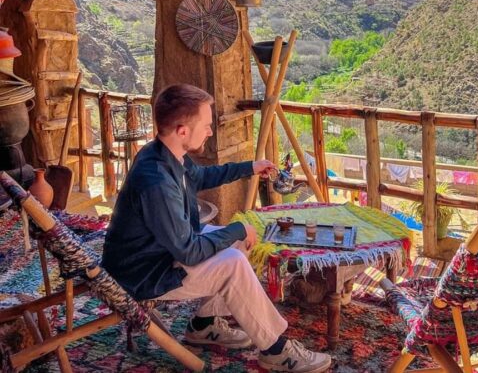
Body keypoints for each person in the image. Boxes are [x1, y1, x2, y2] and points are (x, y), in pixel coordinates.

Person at [102, 84, 331, 373]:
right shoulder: (155, 180)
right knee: (232, 260)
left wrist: (250, 167)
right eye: (206, 125)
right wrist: (237, 229)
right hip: (142, 274)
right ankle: (276, 350)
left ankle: (204, 325)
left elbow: (203, 175)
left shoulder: (165, 154)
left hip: (159, 253)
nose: (210, 132)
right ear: (183, 130)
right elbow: (189, 251)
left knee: (233, 244)